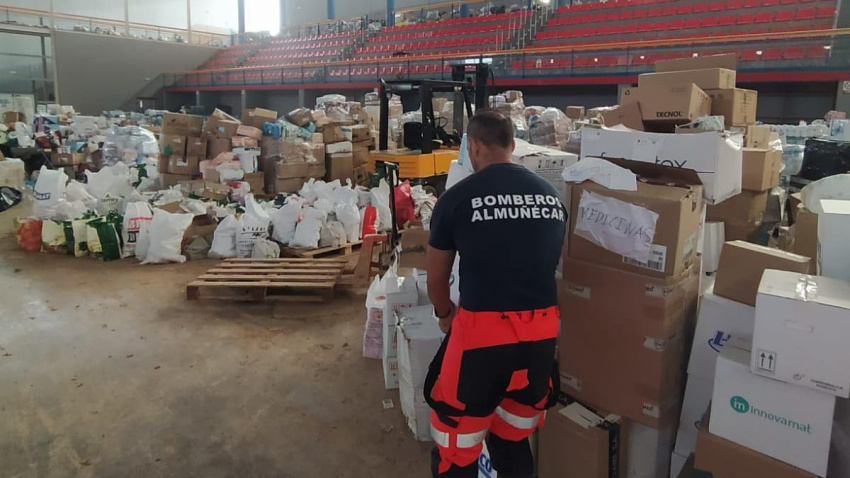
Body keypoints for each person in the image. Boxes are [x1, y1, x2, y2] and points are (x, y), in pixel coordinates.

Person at [425, 109, 567, 478]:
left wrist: (445, 315)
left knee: (457, 445)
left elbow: (437, 280)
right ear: (512, 145)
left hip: (480, 340)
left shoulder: (456, 199)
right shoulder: (551, 197)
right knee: (512, 438)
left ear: (472, 146)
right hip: (541, 337)